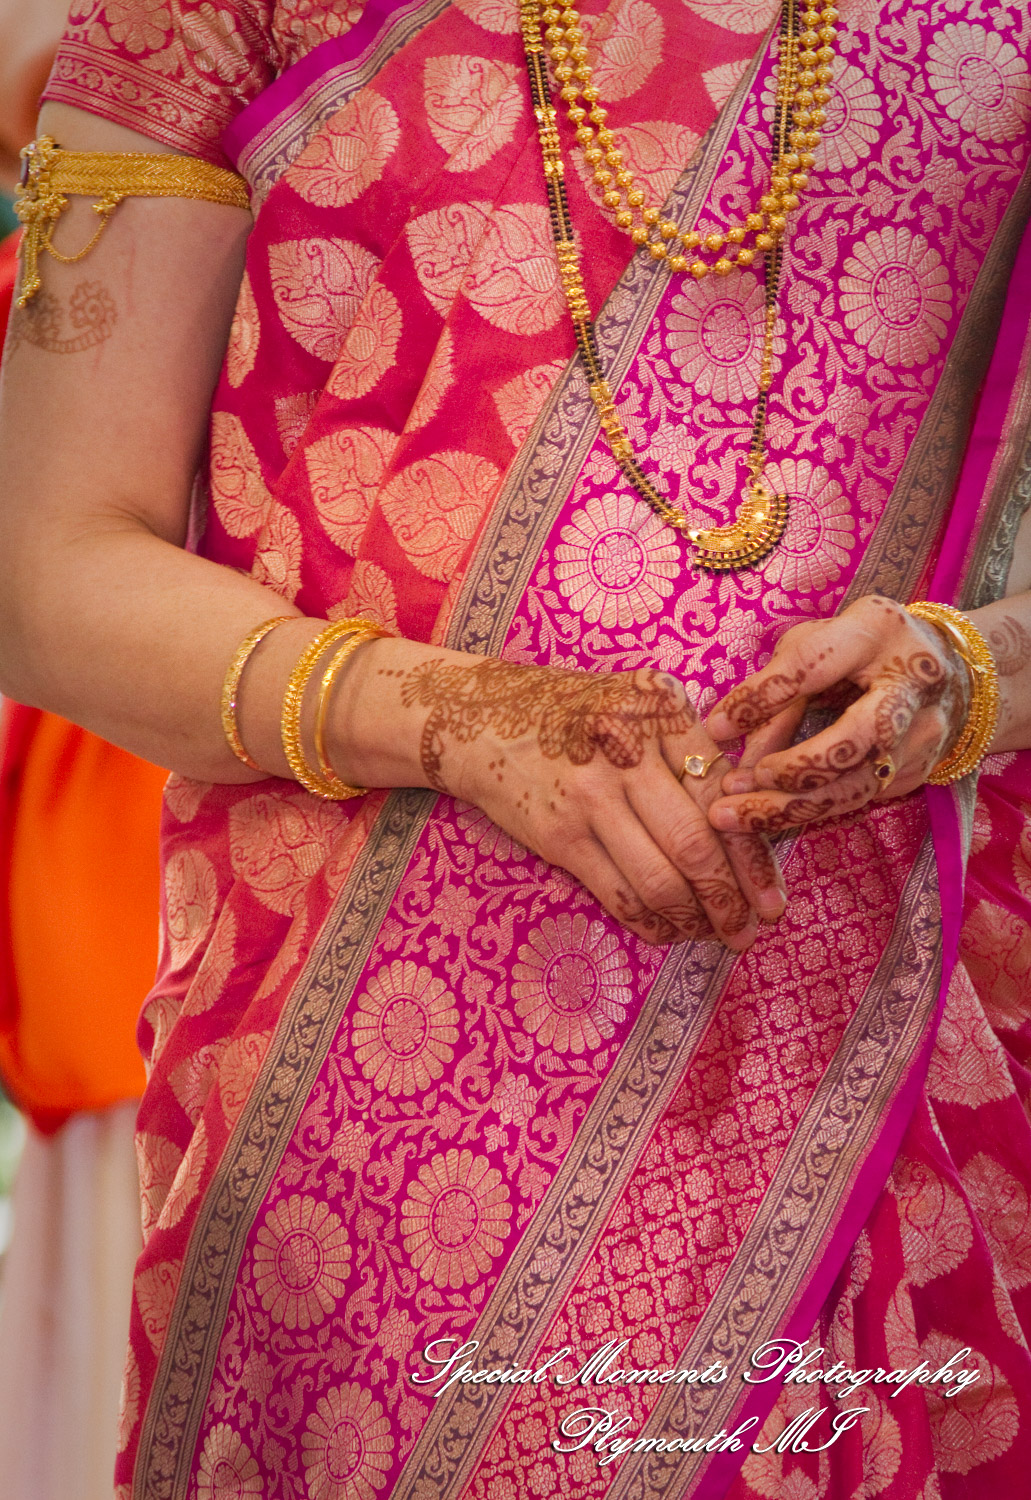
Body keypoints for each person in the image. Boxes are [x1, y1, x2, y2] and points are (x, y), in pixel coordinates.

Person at [1, 1, 1030, 1497]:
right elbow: (41, 566)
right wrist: (461, 723)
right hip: (357, 1121)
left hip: (880, 1056)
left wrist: (977, 668)